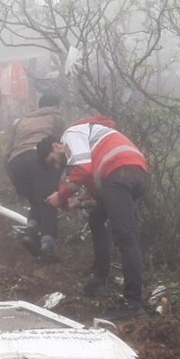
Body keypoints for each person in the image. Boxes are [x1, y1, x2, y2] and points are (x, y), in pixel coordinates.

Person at [39, 117, 150, 318]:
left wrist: (60, 195)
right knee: (97, 218)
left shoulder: (70, 135)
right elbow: (99, 189)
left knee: (125, 237)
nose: (57, 167)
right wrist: (78, 200)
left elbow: (84, 169)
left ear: (56, 146)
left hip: (120, 171)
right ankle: (100, 280)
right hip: (134, 173)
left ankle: (133, 304)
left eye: (53, 161)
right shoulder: (91, 143)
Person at [4, 93, 65, 259]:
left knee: (35, 201)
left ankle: (31, 234)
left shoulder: (22, 120)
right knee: (49, 200)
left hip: (16, 161)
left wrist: (12, 174)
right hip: (39, 158)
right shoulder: (56, 117)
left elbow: (8, 149)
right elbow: (64, 144)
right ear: (56, 106)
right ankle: (47, 246)